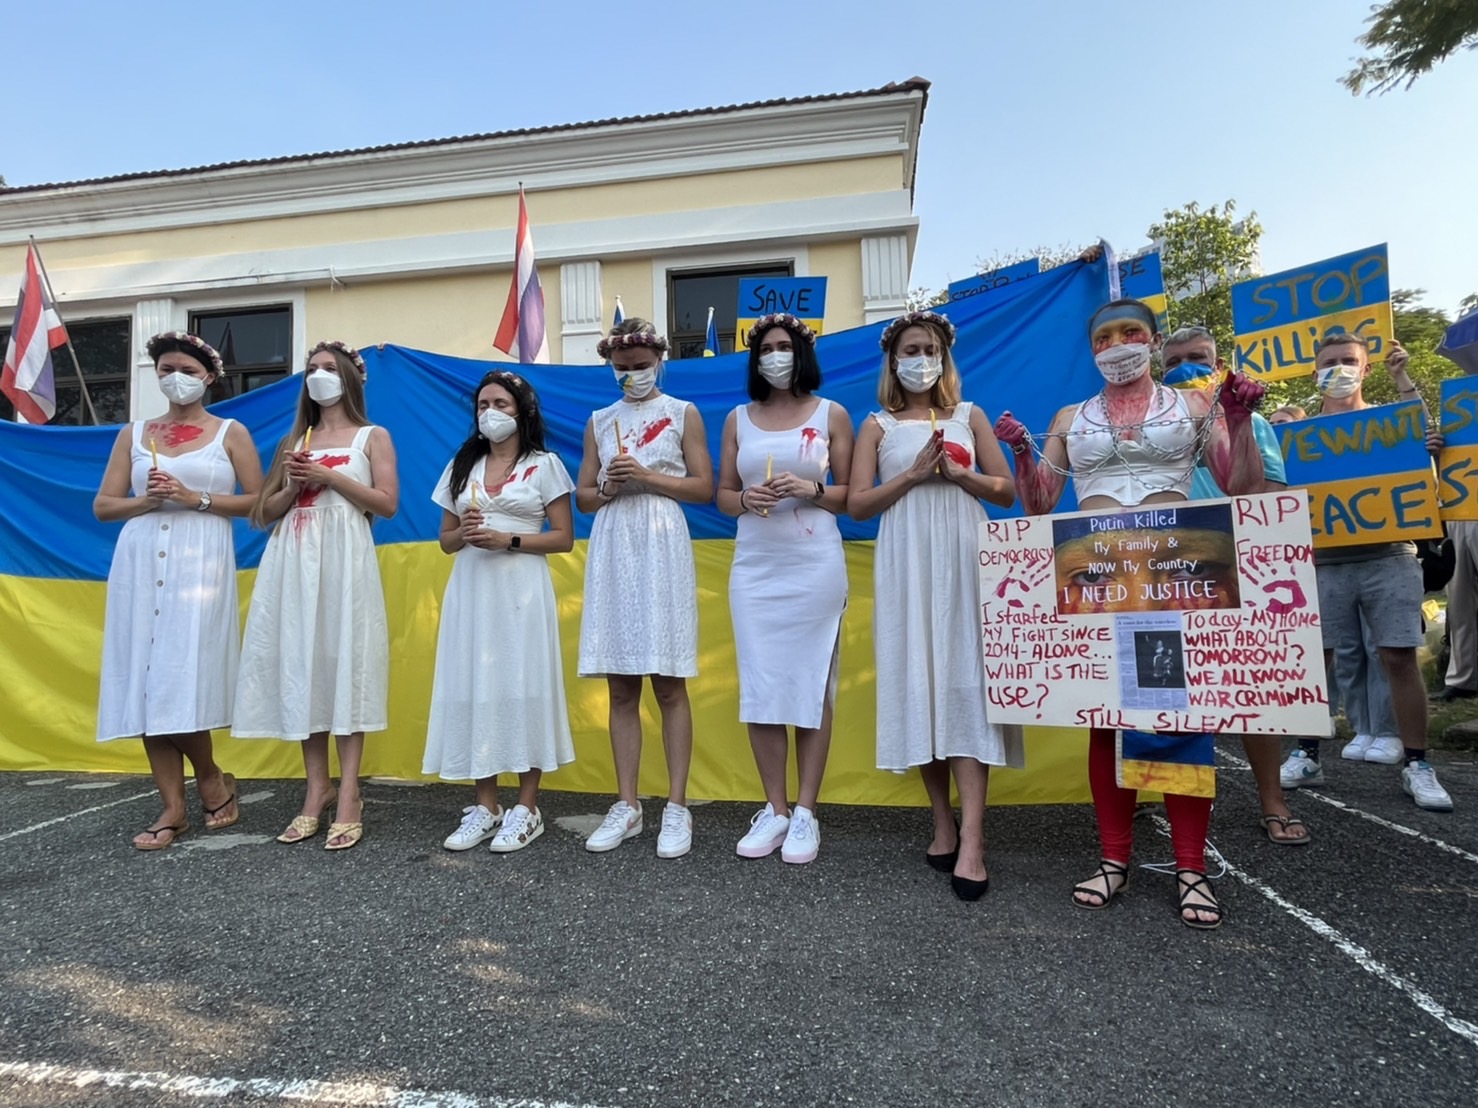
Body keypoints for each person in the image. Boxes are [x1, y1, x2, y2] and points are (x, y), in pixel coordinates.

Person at [994, 299, 1266, 928]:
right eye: (1105, 337)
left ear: (1153, 339)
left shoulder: (1193, 405)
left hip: (1178, 578)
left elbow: (1242, 485)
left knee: (1182, 722)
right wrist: (1022, 452)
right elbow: (1039, 504)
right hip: (1098, 584)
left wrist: (1239, 418)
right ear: (1092, 349)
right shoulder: (1070, 417)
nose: (1118, 345)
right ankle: (1113, 858)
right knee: (1106, 720)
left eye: (1131, 333)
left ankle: (1190, 866)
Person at [847, 310, 1022, 900]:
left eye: (929, 349)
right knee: (920, 683)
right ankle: (942, 820)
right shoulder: (876, 425)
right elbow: (859, 504)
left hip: (965, 553)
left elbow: (1006, 490)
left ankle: (973, 837)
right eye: (910, 350)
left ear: (944, 357)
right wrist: (914, 475)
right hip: (906, 558)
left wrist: (959, 475)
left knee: (966, 685)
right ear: (892, 360)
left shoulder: (969, 416)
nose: (921, 359)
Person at [94, 332, 264, 850]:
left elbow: (259, 503)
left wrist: (196, 498)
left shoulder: (230, 432)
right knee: (145, 681)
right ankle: (172, 807)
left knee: (178, 677)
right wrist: (145, 502)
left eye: (188, 370)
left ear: (209, 377)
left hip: (199, 562)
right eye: (167, 369)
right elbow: (104, 505)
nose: (176, 378)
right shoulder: (134, 434)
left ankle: (209, 775)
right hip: (140, 560)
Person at [233, 341, 398, 851]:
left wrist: (328, 476)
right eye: (311, 369)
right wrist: (293, 484)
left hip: (344, 557)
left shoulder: (372, 436)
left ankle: (349, 794)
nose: (318, 375)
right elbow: (264, 512)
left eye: (328, 368)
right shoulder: (294, 439)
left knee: (345, 666)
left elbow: (387, 503)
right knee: (304, 666)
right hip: (295, 556)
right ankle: (316, 788)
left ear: (349, 377)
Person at [1277, 335, 1454, 811]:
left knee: (1398, 657)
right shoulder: (1298, 438)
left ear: (1366, 367)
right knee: (1317, 661)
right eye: (1329, 362)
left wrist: (1404, 382)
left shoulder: (1393, 423)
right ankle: (1306, 754)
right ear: (1315, 371)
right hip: (1322, 562)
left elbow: (1421, 438)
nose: (1339, 369)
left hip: (1390, 556)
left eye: (1348, 361)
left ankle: (1417, 764)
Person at [1161, 326, 1311, 846]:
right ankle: (1170, 801)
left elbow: (1267, 494)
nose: (1186, 368)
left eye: (1198, 358)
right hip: (1167, 570)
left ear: (1220, 364)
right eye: (1174, 361)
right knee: (1167, 689)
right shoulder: (1152, 428)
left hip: (1236, 564)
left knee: (1252, 688)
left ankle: (1273, 798)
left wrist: (1236, 422)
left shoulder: (1253, 421)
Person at [717, 312, 853, 864]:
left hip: (815, 562)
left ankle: (805, 811)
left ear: (803, 354)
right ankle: (774, 808)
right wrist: (745, 499)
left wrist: (811, 488)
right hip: (755, 566)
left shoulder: (831, 414)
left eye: (785, 346)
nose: (776, 356)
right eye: (767, 348)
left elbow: (853, 495)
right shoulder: (737, 419)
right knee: (762, 684)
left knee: (812, 684)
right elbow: (723, 494)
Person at [575, 319, 714, 859]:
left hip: (661, 538)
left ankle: (677, 805)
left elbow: (703, 487)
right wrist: (609, 485)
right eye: (622, 368)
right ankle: (628, 803)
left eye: (640, 365)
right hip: (615, 541)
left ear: (660, 360)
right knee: (621, 685)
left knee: (669, 683)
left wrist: (647, 477)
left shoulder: (683, 412)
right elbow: (584, 498)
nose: (631, 374)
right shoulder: (599, 420)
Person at [425, 369, 576, 853]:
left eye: (501, 404)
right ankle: (486, 806)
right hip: (472, 589)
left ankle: (527, 807)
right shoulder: (461, 465)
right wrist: (466, 533)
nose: (489, 413)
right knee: (477, 686)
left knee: (522, 684)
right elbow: (446, 541)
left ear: (522, 410)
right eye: (482, 405)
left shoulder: (545, 464)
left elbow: (564, 537)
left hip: (522, 590)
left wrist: (507, 539)